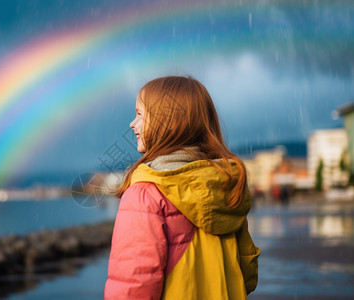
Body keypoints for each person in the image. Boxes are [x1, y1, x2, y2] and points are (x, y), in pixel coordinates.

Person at [104, 76, 260, 299]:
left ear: (168, 121)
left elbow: (134, 287)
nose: (132, 123)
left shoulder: (145, 194)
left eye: (140, 114)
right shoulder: (226, 187)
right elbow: (248, 274)